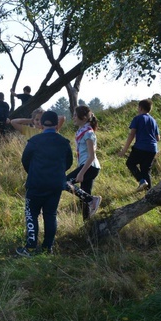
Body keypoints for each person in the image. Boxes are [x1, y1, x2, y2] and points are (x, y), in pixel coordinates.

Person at [16, 111, 73, 257]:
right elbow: (69, 163)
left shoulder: (34, 141)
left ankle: (30, 248)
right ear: (56, 124)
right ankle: (48, 248)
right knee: (50, 215)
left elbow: (25, 160)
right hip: (55, 185)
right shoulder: (64, 142)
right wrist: (56, 173)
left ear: (41, 124)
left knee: (31, 214)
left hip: (36, 183)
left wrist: (33, 172)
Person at [65, 105, 103, 221]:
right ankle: (87, 222)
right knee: (84, 196)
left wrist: (81, 173)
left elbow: (91, 156)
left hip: (89, 167)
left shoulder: (88, 133)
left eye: (76, 115)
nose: (74, 118)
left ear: (84, 117)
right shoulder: (82, 131)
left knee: (65, 182)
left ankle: (92, 200)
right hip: (87, 167)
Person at [119, 99, 161, 191]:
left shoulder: (137, 118)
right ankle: (149, 193)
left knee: (130, 163)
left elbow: (132, 134)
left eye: (138, 107)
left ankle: (141, 181)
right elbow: (158, 138)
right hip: (152, 149)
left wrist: (124, 150)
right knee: (146, 170)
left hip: (140, 147)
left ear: (141, 108)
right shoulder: (153, 121)